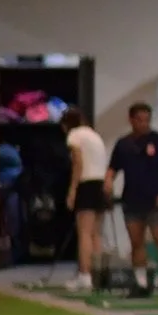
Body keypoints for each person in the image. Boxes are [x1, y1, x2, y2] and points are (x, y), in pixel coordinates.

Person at [106, 103, 158, 294]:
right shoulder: (123, 144)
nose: (144, 124)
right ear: (131, 120)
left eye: (147, 120)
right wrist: (108, 182)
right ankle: (141, 284)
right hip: (131, 200)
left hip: (155, 200)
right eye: (139, 120)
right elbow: (113, 168)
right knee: (136, 242)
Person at [60, 108, 111, 289]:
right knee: (96, 233)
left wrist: (72, 190)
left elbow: (78, 163)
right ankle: (97, 275)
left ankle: (85, 275)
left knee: (84, 233)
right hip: (100, 184)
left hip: (86, 184)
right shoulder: (94, 135)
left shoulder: (74, 135)